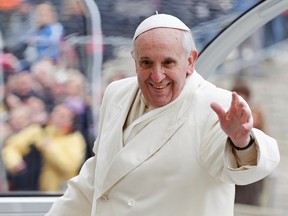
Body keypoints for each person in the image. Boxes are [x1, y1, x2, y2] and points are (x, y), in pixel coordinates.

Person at [45, 14, 280, 216]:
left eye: (168, 63)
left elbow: (247, 168)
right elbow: (97, 178)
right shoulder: (117, 93)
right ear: (134, 61)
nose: (157, 76)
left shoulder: (216, 104)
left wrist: (242, 143)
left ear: (190, 61)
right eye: (146, 63)